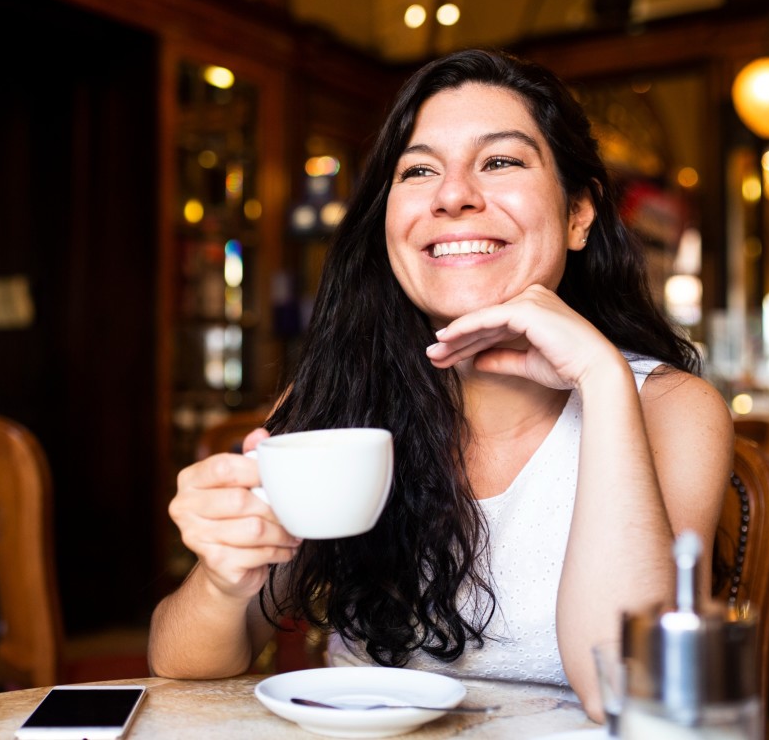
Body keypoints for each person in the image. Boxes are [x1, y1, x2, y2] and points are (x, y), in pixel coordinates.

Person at [147, 48, 733, 721]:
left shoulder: (669, 409)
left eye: (501, 162)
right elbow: (179, 661)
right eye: (420, 170)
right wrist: (225, 578)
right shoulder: (340, 404)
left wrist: (601, 380)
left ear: (578, 213)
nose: (454, 194)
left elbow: (632, 692)